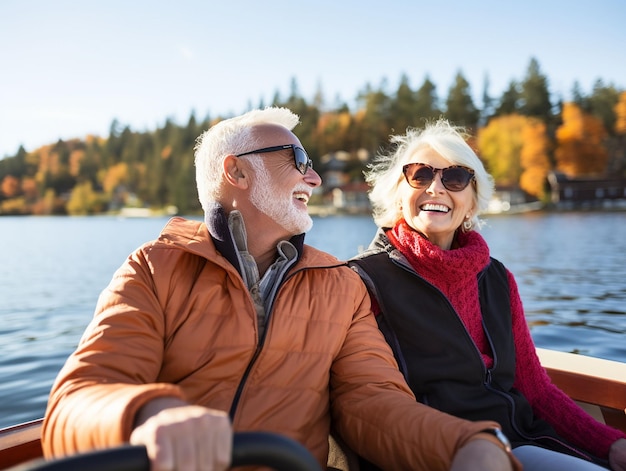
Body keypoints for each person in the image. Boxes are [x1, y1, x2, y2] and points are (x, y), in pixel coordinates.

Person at [41, 108, 520, 471]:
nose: (313, 177)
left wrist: (466, 442)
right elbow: (74, 404)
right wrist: (151, 412)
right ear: (238, 172)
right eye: (299, 159)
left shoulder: (339, 285)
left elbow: (373, 404)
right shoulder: (155, 268)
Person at [348, 119, 626, 471]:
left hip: (522, 438)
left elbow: (536, 390)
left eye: (456, 177)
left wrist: (612, 444)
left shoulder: (497, 278)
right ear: (398, 193)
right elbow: (367, 402)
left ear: (473, 202)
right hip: (439, 452)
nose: (436, 187)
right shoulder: (364, 281)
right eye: (419, 174)